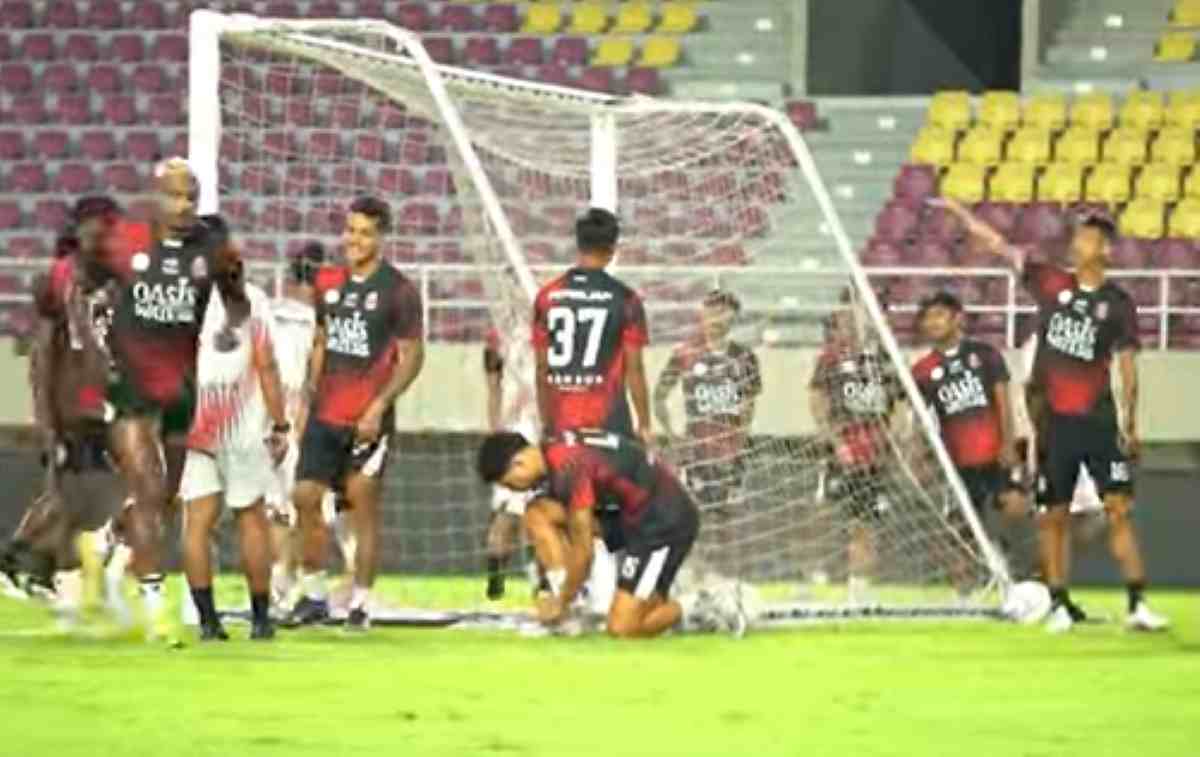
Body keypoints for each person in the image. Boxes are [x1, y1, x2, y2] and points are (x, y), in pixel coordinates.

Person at [936, 198, 1167, 633]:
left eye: (1091, 235)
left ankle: (1137, 604)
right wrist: (965, 218)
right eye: (1080, 233)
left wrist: (1131, 424)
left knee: (1116, 511)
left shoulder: (1118, 304)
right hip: (1055, 427)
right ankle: (1057, 602)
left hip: (1099, 422)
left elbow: (1127, 368)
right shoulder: (1049, 282)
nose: (1080, 240)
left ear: (1106, 250)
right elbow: (1002, 247)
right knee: (1053, 516)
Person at [287, 196, 426, 631]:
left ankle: (361, 604)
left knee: (362, 507)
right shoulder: (328, 283)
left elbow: (412, 356)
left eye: (364, 232)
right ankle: (312, 595)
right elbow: (322, 341)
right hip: (325, 414)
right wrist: (306, 399)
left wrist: (380, 406)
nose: (354, 239)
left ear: (381, 237)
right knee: (306, 497)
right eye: (350, 230)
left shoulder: (399, 291)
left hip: (368, 419)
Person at [476, 430, 745, 638]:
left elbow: (584, 554)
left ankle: (708, 602)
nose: (516, 490)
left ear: (519, 463)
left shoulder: (569, 467)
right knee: (538, 513)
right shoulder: (555, 449)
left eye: (511, 484)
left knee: (623, 627)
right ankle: (576, 610)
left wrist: (560, 600)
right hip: (630, 516)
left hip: (661, 524)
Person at [2, 197, 126, 608]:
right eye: (99, 228)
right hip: (73, 410)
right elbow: (43, 356)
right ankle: (21, 562)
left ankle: (35, 565)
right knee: (75, 495)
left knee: (76, 496)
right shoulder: (60, 282)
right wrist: (49, 421)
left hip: (94, 408)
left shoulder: (103, 287)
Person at [180, 244, 290, 641]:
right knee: (251, 519)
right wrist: (281, 423)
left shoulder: (190, 300)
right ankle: (261, 621)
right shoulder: (255, 301)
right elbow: (267, 365)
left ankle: (209, 623)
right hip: (242, 428)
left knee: (197, 524)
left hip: (199, 424)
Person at [911, 290, 1028, 587]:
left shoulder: (985, 354)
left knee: (1015, 506)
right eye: (927, 318)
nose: (932, 323)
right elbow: (920, 419)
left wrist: (1009, 442)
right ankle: (964, 587)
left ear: (957, 318)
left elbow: (1004, 400)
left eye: (939, 315)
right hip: (958, 460)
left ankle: (1013, 560)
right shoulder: (922, 370)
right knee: (958, 524)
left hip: (994, 452)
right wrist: (917, 452)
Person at [808, 289, 906, 603]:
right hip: (841, 448)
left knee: (865, 519)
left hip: (874, 453)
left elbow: (900, 402)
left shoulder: (887, 357)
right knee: (824, 513)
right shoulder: (833, 356)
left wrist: (895, 437)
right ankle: (815, 572)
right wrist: (832, 436)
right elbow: (817, 396)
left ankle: (859, 583)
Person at [532, 208, 651, 444]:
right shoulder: (626, 299)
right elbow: (634, 369)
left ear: (578, 245)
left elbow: (541, 370)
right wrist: (644, 423)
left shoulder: (547, 296)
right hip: (609, 423)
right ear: (612, 250)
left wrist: (547, 424)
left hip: (563, 423)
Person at [653, 289, 761, 517]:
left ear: (733, 318)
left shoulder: (744, 357)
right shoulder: (685, 353)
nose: (717, 318)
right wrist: (671, 435)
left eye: (724, 313)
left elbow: (749, 404)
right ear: (702, 314)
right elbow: (659, 395)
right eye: (712, 312)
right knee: (696, 514)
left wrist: (741, 438)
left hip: (731, 449)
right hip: (697, 449)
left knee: (730, 516)